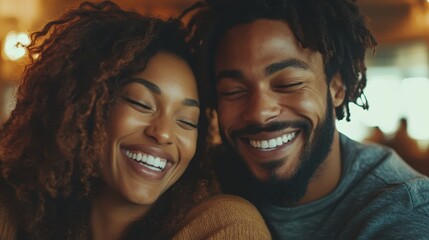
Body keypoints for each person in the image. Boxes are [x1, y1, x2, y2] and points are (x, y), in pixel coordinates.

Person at [0, 1, 271, 239]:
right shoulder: (15, 211)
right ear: (86, 106)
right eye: (141, 104)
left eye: (187, 121)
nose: (164, 133)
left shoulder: (225, 226)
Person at [187, 0, 429, 239]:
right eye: (233, 91)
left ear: (336, 88)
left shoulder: (405, 210)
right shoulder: (196, 182)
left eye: (288, 84)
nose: (259, 112)